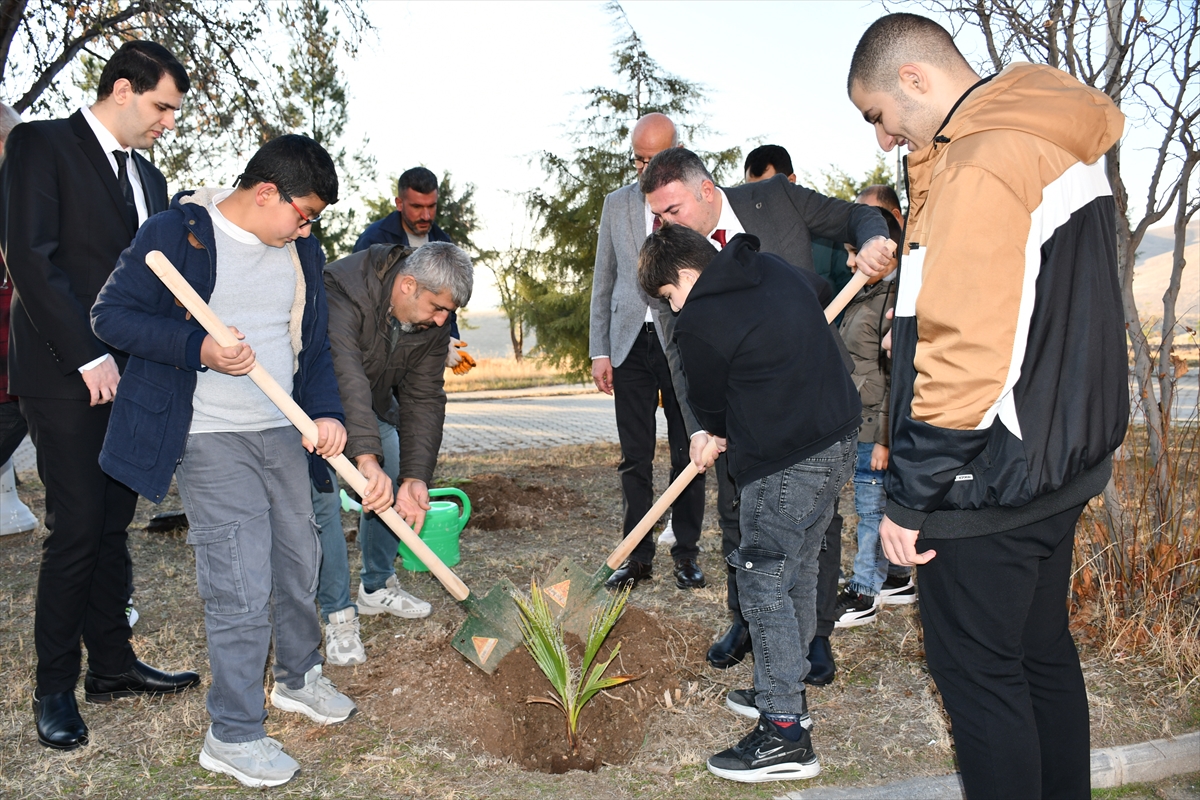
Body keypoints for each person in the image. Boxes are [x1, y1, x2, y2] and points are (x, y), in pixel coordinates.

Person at [848, 13, 1127, 798]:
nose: (881, 139)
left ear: (915, 79)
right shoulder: (1045, 131)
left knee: (980, 681)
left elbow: (970, 353)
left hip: (986, 480)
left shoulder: (979, 162)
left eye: (877, 116)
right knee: (1040, 656)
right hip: (1057, 460)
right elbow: (1028, 307)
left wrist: (909, 497)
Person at [92, 134, 357, 788]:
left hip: (283, 430)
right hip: (210, 435)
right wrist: (197, 346)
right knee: (239, 579)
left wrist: (326, 414)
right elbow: (111, 317)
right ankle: (232, 733)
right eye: (304, 214)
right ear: (267, 191)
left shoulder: (300, 251)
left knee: (301, 560)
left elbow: (315, 348)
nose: (307, 227)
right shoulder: (177, 234)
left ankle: (298, 678)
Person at [0, 41, 200, 752]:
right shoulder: (39, 144)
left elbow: (155, 275)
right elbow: (29, 256)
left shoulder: (150, 175)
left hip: (133, 377)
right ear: (122, 88)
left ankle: (111, 667)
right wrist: (85, 354)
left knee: (113, 525)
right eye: (162, 106)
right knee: (78, 526)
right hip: (62, 374)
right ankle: (54, 685)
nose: (168, 122)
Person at [641, 146, 891, 681]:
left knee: (814, 521)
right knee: (740, 513)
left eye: (672, 211)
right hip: (741, 414)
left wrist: (871, 239)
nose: (662, 224)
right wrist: (702, 428)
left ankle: (815, 634)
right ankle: (748, 619)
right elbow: (682, 357)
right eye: (657, 215)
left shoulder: (773, 201)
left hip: (812, 401)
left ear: (706, 189)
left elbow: (855, 214)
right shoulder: (672, 261)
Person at [638, 224, 859, 783]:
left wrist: (709, 431)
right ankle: (784, 678)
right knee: (801, 566)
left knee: (762, 580)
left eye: (668, 296)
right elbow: (815, 290)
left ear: (685, 276)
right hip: (838, 439)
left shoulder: (702, 321)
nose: (674, 307)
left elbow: (710, 405)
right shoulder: (774, 268)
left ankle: (785, 731)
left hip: (786, 461)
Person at [310, 240, 474, 665]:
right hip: (313, 408)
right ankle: (338, 614)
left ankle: (376, 586)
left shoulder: (434, 321)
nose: (442, 321)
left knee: (399, 463)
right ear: (406, 285)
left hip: (373, 407)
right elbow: (346, 376)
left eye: (448, 313)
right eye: (437, 308)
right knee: (323, 503)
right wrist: (366, 462)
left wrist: (415, 478)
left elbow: (423, 398)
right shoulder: (344, 288)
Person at [588, 112, 706, 592]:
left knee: (688, 451)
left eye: (654, 158)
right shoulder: (615, 205)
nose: (644, 169)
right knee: (634, 456)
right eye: (638, 159)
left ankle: (686, 553)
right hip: (628, 345)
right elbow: (605, 278)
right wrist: (599, 349)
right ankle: (636, 555)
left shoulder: (691, 202)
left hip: (681, 341)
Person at [830, 204, 913, 628]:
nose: (850, 261)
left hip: (873, 429)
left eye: (854, 251)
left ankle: (864, 591)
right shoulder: (864, 292)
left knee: (871, 511)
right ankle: (896, 577)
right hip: (856, 419)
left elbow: (896, 375)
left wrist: (884, 437)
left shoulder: (896, 302)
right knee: (873, 506)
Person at [355, 166, 474, 375]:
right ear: (399, 203)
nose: (426, 215)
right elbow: (366, 304)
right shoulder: (374, 240)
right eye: (417, 206)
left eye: (432, 206)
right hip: (381, 355)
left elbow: (447, 302)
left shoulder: (443, 241)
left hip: (424, 356)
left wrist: (449, 341)